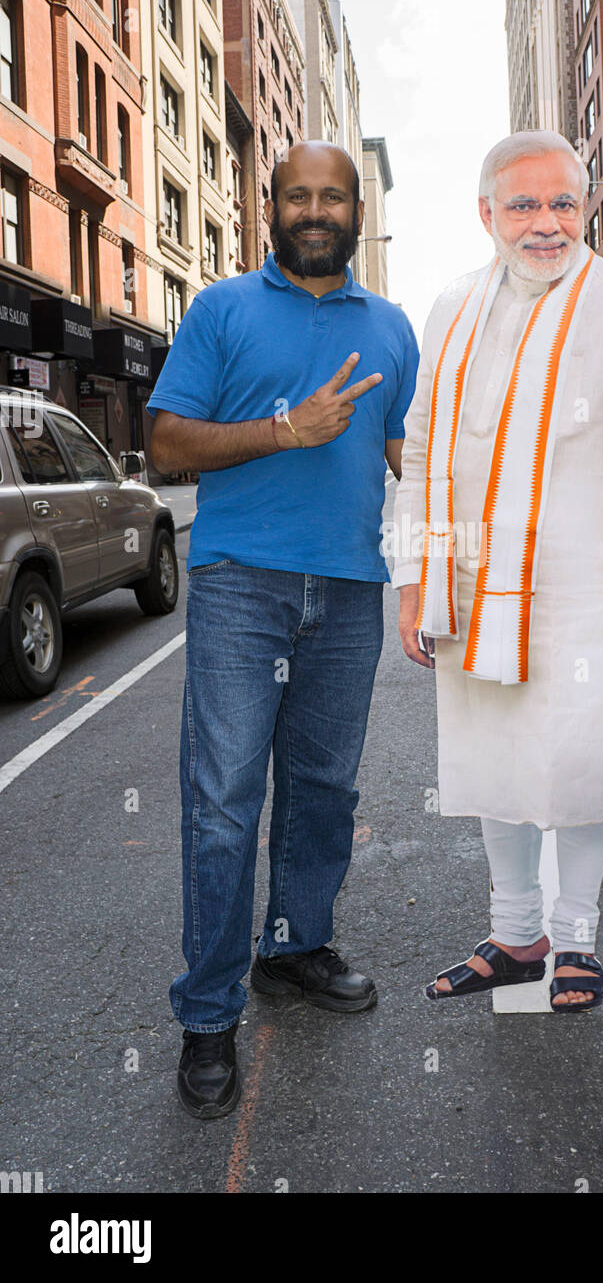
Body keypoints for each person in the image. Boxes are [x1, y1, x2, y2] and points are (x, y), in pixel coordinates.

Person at [391, 131, 603, 1011]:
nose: (546, 224)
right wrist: (413, 579)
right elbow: (422, 446)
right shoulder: (453, 307)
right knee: (495, 761)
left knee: (583, 763)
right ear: (486, 213)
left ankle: (575, 938)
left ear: (588, 207)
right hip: (472, 586)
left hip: (583, 592)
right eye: (524, 205)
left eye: (564, 203)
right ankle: (514, 936)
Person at [147, 141, 420, 1117]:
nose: (315, 209)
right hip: (239, 587)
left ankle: (293, 947)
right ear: (269, 208)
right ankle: (208, 1014)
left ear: (356, 213)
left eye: (332, 196)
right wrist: (280, 430)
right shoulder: (221, 309)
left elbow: (412, 462)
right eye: (296, 194)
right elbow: (166, 439)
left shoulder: (390, 328)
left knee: (322, 793)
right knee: (222, 803)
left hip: (348, 592)